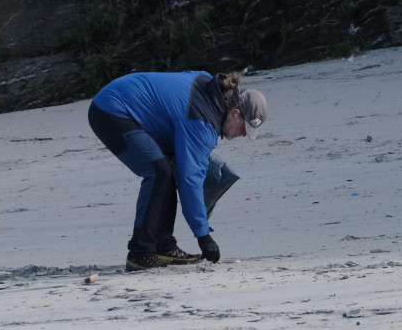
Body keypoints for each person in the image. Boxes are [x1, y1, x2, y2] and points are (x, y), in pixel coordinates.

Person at [88, 71, 267, 272]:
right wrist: (203, 235)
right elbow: (190, 180)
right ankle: (140, 252)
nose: (243, 135)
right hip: (111, 110)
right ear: (235, 112)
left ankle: (164, 246)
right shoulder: (202, 121)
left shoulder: (209, 88)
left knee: (168, 170)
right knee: (158, 172)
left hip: (121, 100)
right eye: (245, 128)